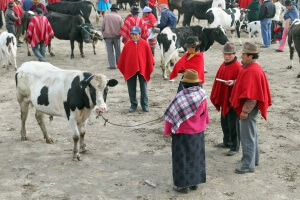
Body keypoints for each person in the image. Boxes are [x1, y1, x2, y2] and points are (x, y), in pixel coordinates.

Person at [163, 69, 210, 194]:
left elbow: (171, 116)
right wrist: (202, 125)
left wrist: (168, 131)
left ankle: (182, 186)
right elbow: (205, 115)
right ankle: (194, 182)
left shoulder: (180, 97)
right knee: (196, 157)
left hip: (182, 133)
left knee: (182, 158)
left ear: (184, 84)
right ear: (197, 83)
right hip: (198, 132)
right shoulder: (202, 95)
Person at [229, 42, 272, 174]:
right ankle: (254, 159)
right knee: (252, 133)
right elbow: (246, 84)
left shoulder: (252, 70)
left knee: (247, 136)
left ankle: (248, 164)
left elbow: (252, 96)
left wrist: (245, 111)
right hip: (250, 108)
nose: (241, 56)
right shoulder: (253, 67)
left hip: (248, 108)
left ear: (250, 56)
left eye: (243, 54)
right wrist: (235, 83)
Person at [210, 42, 242, 156]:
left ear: (234, 54)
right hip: (224, 98)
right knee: (224, 122)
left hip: (233, 100)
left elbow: (243, 82)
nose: (227, 57)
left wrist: (234, 82)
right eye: (225, 54)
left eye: (230, 54)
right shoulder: (223, 65)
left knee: (234, 124)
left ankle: (235, 146)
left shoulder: (238, 66)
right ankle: (227, 141)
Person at [117, 26, 154, 113]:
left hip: (142, 69)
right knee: (131, 88)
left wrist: (147, 67)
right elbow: (123, 59)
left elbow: (149, 58)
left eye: (135, 34)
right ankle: (133, 105)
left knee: (143, 88)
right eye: (132, 34)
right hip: (131, 69)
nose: (134, 36)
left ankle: (145, 105)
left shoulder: (145, 44)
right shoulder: (127, 45)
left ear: (140, 34)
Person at [101, 4, 123, 69]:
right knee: (118, 51)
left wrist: (104, 33)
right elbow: (122, 27)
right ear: (116, 10)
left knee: (110, 51)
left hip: (107, 37)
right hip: (117, 36)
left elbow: (102, 27)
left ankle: (112, 65)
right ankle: (119, 64)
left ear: (111, 10)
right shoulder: (119, 17)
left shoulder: (106, 16)